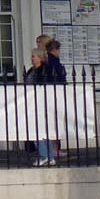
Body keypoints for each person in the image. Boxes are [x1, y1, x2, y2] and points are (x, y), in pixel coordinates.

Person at [32, 38, 68, 166]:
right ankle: (50, 155)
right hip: (45, 101)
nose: (32, 59)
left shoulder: (43, 69)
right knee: (45, 128)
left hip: (42, 102)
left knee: (38, 129)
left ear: (40, 58)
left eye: (34, 56)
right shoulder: (45, 67)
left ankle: (45, 155)